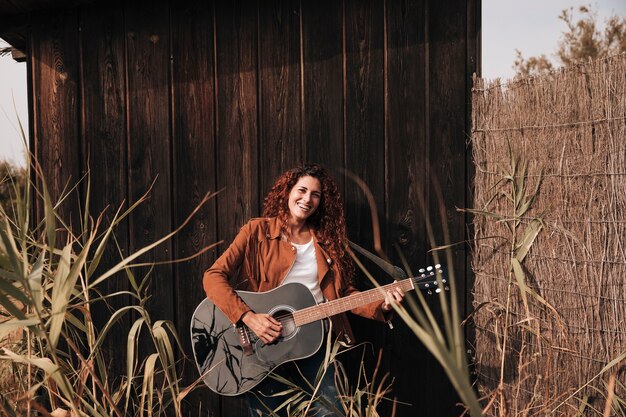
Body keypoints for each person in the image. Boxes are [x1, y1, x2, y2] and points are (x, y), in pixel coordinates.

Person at [202, 164, 405, 417]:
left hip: (315, 344)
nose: (307, 199)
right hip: (263, 347)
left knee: (334, 412)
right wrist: (248, 317)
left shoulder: (329, 244)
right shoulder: (256, 232)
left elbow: (343, 297)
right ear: (287, 191)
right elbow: (212, 277)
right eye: (302, 190)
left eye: (316, 195)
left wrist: (382, 304)